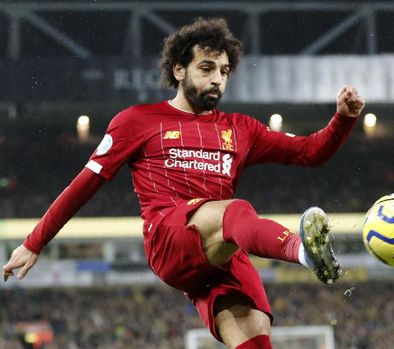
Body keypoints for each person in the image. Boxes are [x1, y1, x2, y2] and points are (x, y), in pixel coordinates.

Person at [2, 17, 364, 349]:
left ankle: (304, 255)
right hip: (169, 237)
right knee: (235, 210)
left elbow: (309, 152)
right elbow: (85, 184)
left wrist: (342, 120)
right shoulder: (137, 121)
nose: (217, 78)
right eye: (206, 68)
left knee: (255, 341)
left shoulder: (241, 128)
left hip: (220, 252)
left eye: (224, 70)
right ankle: (305, 252)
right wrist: (35, 243)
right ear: (179, 70)